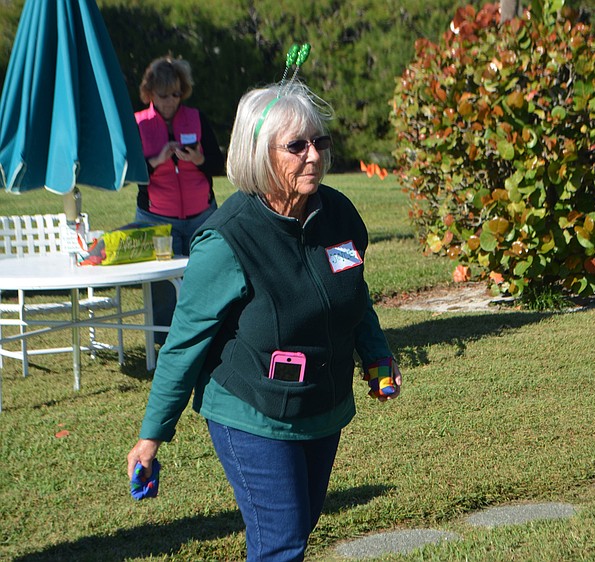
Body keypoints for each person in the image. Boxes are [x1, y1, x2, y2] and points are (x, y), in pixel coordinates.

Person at [126, 79, 402, 562]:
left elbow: (352, 293)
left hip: (322, 402)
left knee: (301, 523)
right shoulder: (228, 240)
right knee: (282, 541)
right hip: (251, 408)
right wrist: (152, 436)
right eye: (296, 146)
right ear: (259, 153)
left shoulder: (337, 214)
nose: (313, 155)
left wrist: (377, 357)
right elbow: (184, 343)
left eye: (320, 142)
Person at [134, 56, 225, 342]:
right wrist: (157, 160)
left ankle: (211, 337)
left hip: (203, 215)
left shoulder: (196, 118)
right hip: (157, 219)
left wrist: (198, 159)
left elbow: (218, 164)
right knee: (162, 288)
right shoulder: (137, 124)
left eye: (176, 94)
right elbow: (131, 173)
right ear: (150, 93)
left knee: (209, 278)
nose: (171, 101)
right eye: (163, 96)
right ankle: (165, 342)